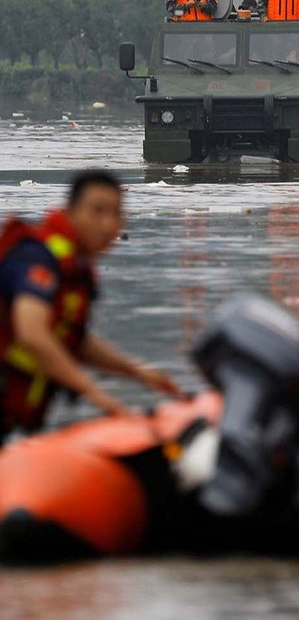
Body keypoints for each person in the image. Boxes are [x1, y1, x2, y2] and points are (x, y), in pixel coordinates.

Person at [0, 169, 182, 443]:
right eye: (97, 211)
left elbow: (73, 338)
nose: (108, 225)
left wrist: (138, 373)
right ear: (71, 211)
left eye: (116, 214)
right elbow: (32, 334)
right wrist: (93, 392)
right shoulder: (38, 257)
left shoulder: (76, 268)